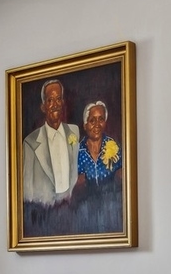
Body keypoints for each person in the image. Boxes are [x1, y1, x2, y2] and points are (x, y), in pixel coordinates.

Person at [20, 78, 79, 235]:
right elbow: (27, 189)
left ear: (63, 102)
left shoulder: (75, 133)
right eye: (50, 100)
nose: (55, 104)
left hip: (73, 214)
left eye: (58, 99)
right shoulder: (30, 142)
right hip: (43, 217)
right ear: (43, 106)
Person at [72, 100, 123, 234]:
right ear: (85, 125)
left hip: (111, 211)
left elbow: (123, 178)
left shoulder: (114, 147)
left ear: (105, 122)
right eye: (92, 120)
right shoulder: (77, 151)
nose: (97, 125)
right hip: (84, 214)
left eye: (101, 119)